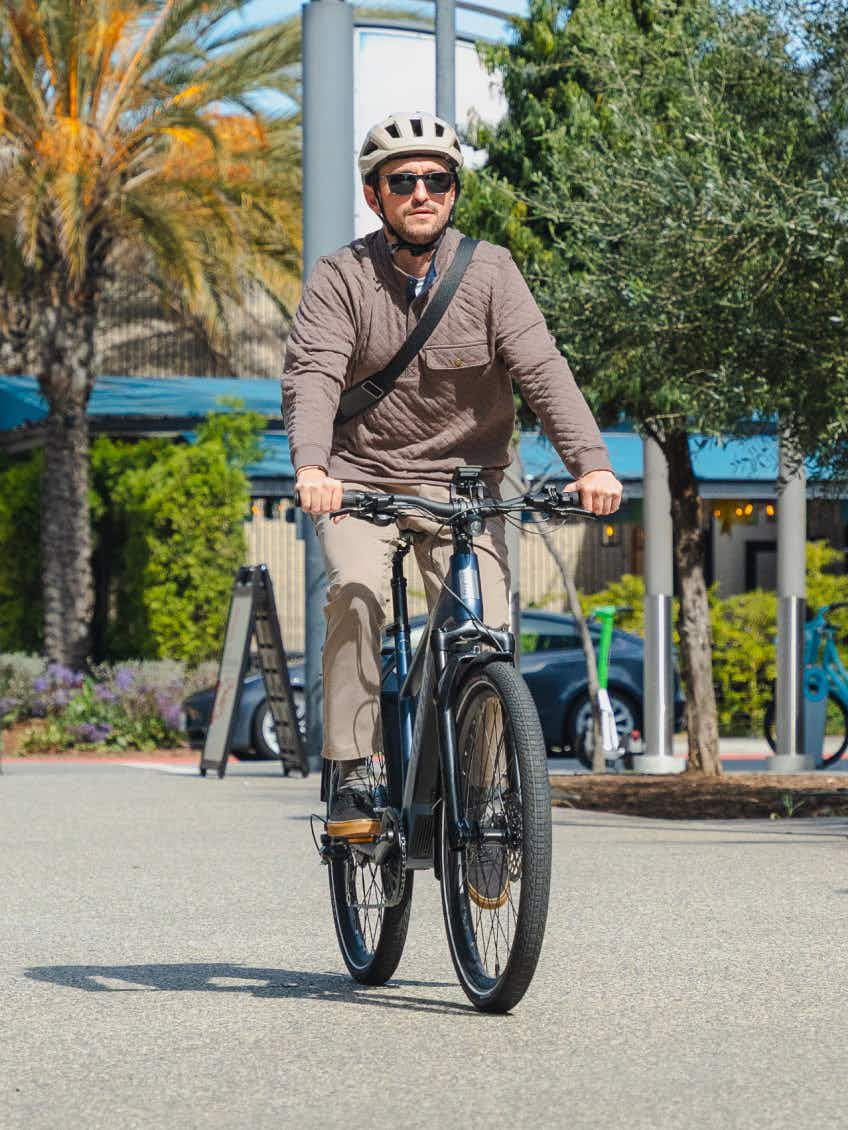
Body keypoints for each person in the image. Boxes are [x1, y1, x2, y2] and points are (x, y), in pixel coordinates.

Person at [282, 111, 622, 839]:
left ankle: (483, 789)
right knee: (356, 593)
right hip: (362, 479)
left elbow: (542, 369)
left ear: (454, 192)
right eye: (403, 180)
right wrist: (312, 465)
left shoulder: (491, 272)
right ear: (375, 195)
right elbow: (313, 374)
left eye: (436, 180)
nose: (421, 193)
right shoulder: (342, 277)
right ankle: (355, 768)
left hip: (467, 486)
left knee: (486, 632)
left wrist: (591, 464)